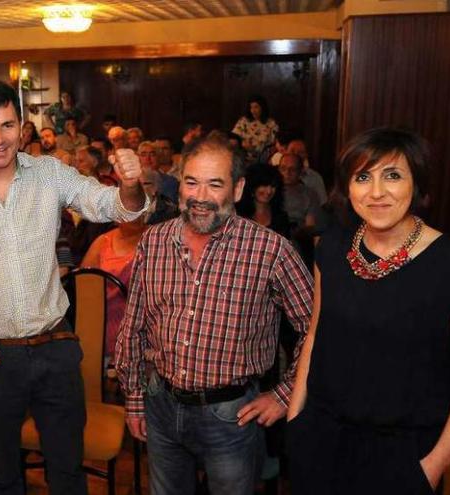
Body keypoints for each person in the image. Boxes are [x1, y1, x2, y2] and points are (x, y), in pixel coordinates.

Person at [0, 78, 147, 495]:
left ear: (21, 126)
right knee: (3, 477)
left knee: (68, 473)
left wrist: (129, 186)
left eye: (7, 125)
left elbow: (109, 204)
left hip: (55, 348)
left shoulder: (49, 173)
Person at [287, 127, 450, 494]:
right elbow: (315, 334)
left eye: (392, 175)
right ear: (348, 187)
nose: (376, 192)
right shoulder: (329, 249)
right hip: (319, 441)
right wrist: (296, 418)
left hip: (406, 455)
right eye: (363, 177)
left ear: (417, 184)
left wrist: (435, 463)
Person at [115, 135, 313, 495]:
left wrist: (285, 394)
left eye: (214, 184)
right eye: (191, 182)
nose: (200, 196)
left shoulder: (271, 250)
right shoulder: (154, 241)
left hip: (231, 415)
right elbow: (135, 324)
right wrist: (133, 398)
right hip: (160, 404)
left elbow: (317, 328)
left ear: (237, 189)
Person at [80, 215, 148, 361]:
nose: (136, 214)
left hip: (139, 333)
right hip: (100, 331)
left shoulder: (156, 240)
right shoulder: (102, 242)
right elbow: (82, 289)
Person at [236, 164, 291, 238]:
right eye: (264, 185)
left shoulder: (280, 216)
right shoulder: (238, 215)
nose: (269, 191)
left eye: (273, 186)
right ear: (252, 187)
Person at [232, 95, 279, 160]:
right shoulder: (243, 121)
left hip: (262, 158)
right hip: (242, 156)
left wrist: (254, 150)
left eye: (256, 107)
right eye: (251, 107)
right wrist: (242, 143)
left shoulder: (271, 124)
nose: (253, 111)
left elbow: (274, 145)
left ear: (262, 108)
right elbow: (233, 137)